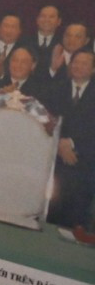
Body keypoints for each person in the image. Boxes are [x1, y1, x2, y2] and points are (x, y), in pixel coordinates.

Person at [50, 49, 95, 229]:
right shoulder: (56, 88)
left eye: (85, 63)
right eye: (76, 62)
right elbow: (46, 118)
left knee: (75, 222)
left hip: (84, 167)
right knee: (50, 217)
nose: (78, 66)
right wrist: (60, 142)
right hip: (55, 165)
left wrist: (73, 144)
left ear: (93, 69)